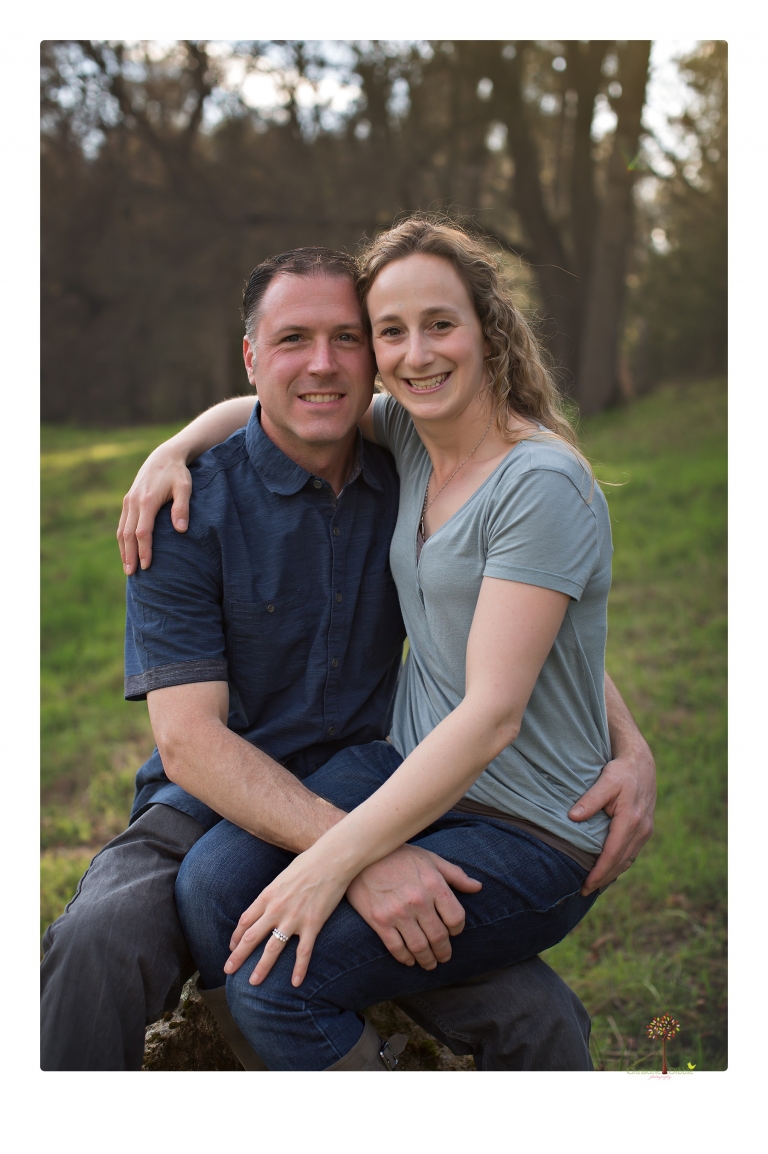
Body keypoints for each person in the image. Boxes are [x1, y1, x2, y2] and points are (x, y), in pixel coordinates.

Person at [40, 240, 654, 1071]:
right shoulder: (188, 509)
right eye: (294, 340)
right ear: (252, 357)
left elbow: (519, 631)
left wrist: (627, 743)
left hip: (400, 778)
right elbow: (188, 743)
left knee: (533, 1018)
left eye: (349, 339)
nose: (324, 364)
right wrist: (170, 450)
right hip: (221, 794)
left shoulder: (413, 458)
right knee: (103, 941)